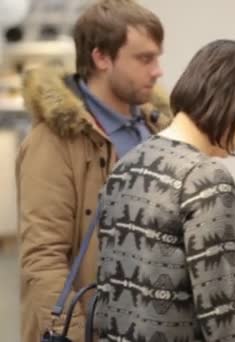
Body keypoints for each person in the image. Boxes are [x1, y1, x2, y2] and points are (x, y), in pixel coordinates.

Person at [94, 39, 235, 342]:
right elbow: (224, 312)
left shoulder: (127, 165)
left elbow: (109, 290)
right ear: (233, 102)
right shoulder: (205, 178)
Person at [15, 1, 172, 341]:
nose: (158, 70)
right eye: (144, 59)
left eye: (157, 57)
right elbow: (43, 259)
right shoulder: (54, 142)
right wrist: (75, 336)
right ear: (102, 58)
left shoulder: (157, 128)